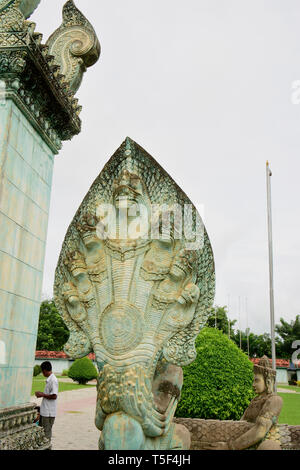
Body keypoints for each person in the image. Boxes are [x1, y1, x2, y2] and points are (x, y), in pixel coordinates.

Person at [35, 361, 58, 442]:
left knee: (46, 434)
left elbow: (54, 396)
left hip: (49, 413)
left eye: (42, 371)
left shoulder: (53, 380)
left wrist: (42, 394)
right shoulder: (49, 380)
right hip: (45, 411)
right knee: (42, 433)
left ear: (44, 370)